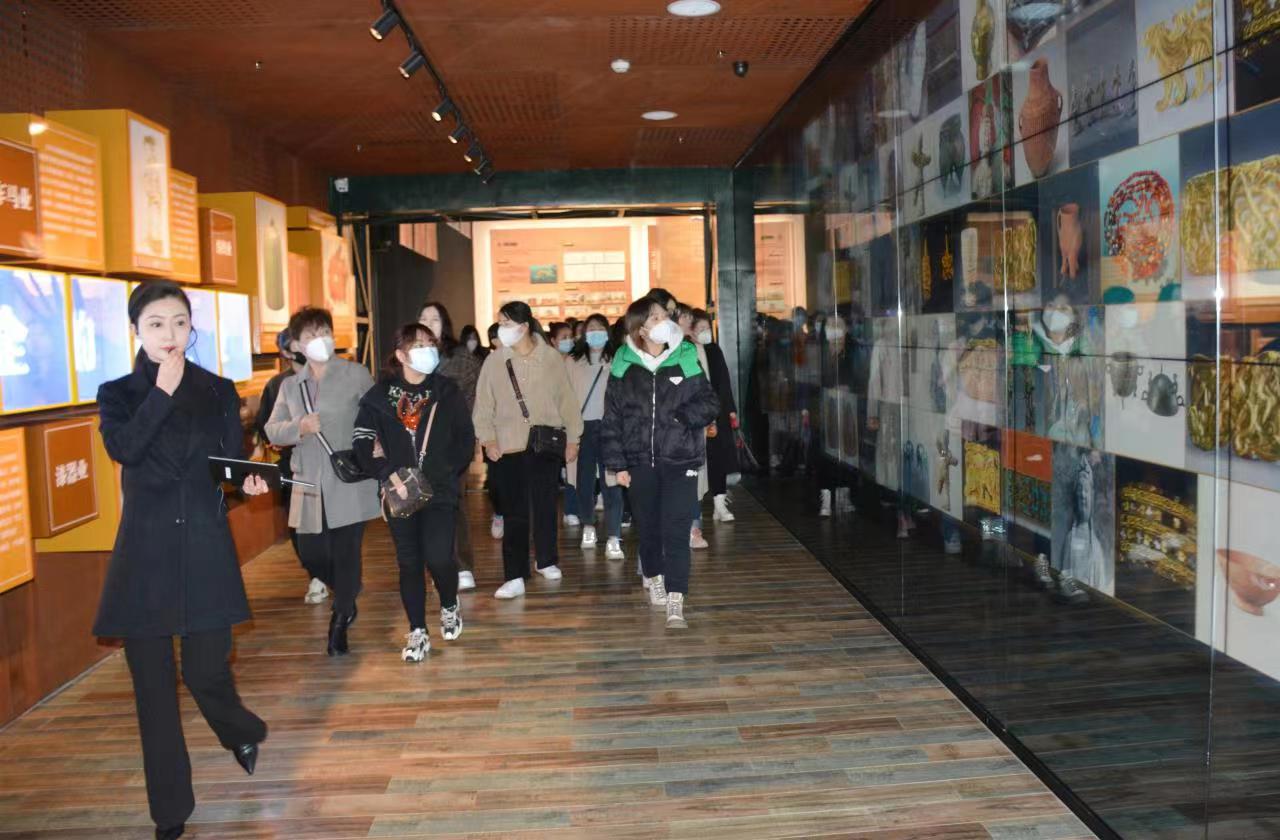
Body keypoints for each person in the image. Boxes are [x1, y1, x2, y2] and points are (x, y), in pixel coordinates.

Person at [95, 281, 269, 840]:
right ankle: (170, 812)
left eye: (178, 322)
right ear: (136, 331)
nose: (169, 334)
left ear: (191, 328)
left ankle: (239, 728)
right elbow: (125, 449)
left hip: (204, 547)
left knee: (205, 669)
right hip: (144, 556)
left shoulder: (218, 389)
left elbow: (229, 464)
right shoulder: (118, 394)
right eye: (155, 324)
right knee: (153, 691)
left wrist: (244, 482)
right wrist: (161, 393)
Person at [353, 323, 475, 661]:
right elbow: (361, 441)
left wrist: (447, 470)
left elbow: (465, 438)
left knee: (439, 557)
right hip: (398, 491)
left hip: (440, 490)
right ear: (401, 355)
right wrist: (385, 473)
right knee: (409, 563)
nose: (427, 349)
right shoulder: (379, 396)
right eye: (418, 345)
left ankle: (448, 603)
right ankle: (417, 630)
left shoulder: (446, 391)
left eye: (430, 343)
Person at [266, 307, 379, 655]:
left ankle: (340, 620)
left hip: (349, 479)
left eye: (324, 332)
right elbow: (272, 429)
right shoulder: (290, 386)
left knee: (346, 552)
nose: (320, 340)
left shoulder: (356, 374)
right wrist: (298, 427)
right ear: (297, 345)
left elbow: (378, 415)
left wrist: (376, 445)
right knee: (311, 553)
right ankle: (347, 591)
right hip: (307, 481)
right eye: (311, 335)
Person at [603, 297, 718, 628]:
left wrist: (681, 418)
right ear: (640, 328)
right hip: (639, 461)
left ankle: (676, 598)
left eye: (665, 316)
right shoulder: (623, 364)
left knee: (677, 529)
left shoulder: (685, 355)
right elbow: (612, 420)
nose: (664, 322)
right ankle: (654, 576)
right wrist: (617, 465)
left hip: (681, 459)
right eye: (656, 318)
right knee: (649, 528)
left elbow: (710, 401)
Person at [473, 302, 583, 599]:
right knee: (514, 512)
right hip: (507, 446)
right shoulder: (495, 361)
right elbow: (483, 404)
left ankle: (546, 560)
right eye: (499, 323)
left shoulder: (550, 358)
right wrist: (488, 439)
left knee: (545, 505)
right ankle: (514, 575)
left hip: (544, 442)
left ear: (524, 326)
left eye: (506, 323)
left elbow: (567, 400)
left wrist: (574, 438)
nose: (501, 329)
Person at [253, 327, 323, 602]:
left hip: (328, 462)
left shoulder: (329, 377)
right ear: (286, 351)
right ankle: (315, 575)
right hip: (293, 465)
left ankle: (334, 574)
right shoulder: (277, 385)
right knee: (299, 525)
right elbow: (266, 426)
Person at [419, 301, 482, 592]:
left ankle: (463, 565)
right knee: (425, 506)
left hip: (453, 442)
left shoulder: (460, 359)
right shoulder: (410, 356)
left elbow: (471, 399)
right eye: (423, 318)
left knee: (454, 502)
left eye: (435, 319)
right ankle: (438, 565)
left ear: (445, 324)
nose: (428, 323)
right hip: (418, 445)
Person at [567, 313, 624, 560]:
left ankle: (614, 536)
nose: (596, 333)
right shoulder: (572, 361)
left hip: (611, 427)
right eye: (591, 328)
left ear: (608, 332)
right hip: (582, 428)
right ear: (584, 333)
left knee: (613, 483)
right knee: (584, 482)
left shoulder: (618, 359)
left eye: (600, 328)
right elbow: (565, 397)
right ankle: (588, 526)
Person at [690, 309, 740, 522]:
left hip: (716, 414)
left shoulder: (714, 350)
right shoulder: (686, 351)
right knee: (699, 461)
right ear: (691, 330)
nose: (705, 332)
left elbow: (724, 382)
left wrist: (730, 410)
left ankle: (719, 504)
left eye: (707, 328)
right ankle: (695, 507)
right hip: (696, 414)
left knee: (718, 458)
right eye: (701, 328)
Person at [673, 302, 712, 548]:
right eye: (682, 317)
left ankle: (694, 528)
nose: (688, 321)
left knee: (694, 476)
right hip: (668, 427)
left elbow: (705, 388)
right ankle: (676, 527)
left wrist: (708, 417)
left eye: (689, 317)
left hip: (693, 424)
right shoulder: (659, 351)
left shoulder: (694, 349)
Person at [547, 321, 581, 525]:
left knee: (572, 467)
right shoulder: (546, 363)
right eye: (564, 337)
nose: (569, 341)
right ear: (553, 341)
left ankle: (571, 509)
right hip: (550, 424)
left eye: (571, 337)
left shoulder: (575, 362)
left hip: (569, 422)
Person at [485, 321, 504, 539]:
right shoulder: (490, 363)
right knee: (496, 480)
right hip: (495, 432)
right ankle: (499, 513)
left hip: (519, 432)